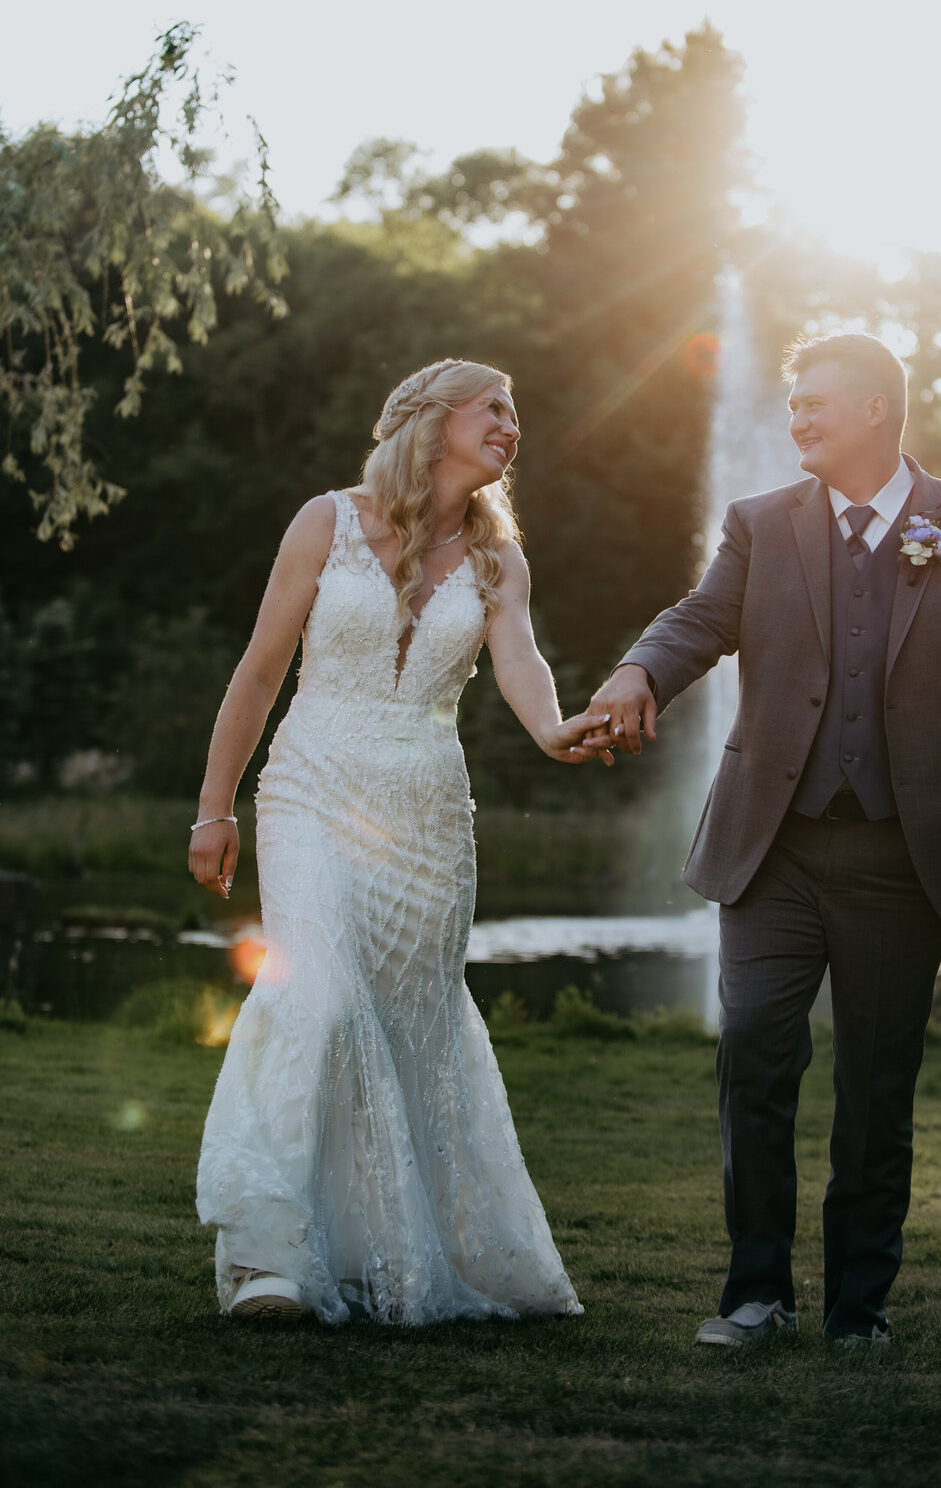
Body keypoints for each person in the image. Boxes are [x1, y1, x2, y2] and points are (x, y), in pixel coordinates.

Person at [584, 331, 941, 1347]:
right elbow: (698, 620)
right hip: (776, 850)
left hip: (904, 858)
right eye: (792, 404)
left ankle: (857, 1308)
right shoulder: (760, 525)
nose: (795, 417)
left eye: (816, 403)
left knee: (878, 1085)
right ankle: (756, 1293)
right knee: (754, 1046)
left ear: (879, 410)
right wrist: (637, 672)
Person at [189, 358, 611, 1325]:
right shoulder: (326, 521)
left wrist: (553, 731)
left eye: (517, 412)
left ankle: (375, 1248)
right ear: (431, 417)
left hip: (426, 817)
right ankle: (272, 1262)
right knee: (322, 1000)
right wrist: (215, 809)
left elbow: (522, 662)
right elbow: (259, 674)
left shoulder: (499, 556)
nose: (511, 426)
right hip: (310, 789)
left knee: (410, 1027)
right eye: (494, 408)